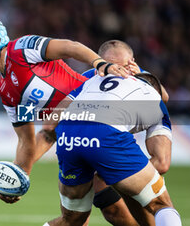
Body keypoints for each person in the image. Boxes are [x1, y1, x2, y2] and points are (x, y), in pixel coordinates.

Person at [0, 17, 130, 203]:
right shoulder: (7, 91)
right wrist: (14, 178)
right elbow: (28, 141)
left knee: (120, 197)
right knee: (103, 211)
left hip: (99, 116)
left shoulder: (22, 50)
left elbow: (71, 47)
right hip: (72, 140)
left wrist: (100, 63)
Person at [43, 72, 181, 226]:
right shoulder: (154, 99)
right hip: (106, 141)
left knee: (72, 220)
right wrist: (116, 174)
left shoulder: (94, 78)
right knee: (161, 204)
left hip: (69, 133)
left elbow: (49, 125)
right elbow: (162, 163)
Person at [84, 40, 172, 226]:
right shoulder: (88, 78)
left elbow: (164, 97)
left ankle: (124, 179)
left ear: (132, 61)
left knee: (162, 163)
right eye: (111, 65)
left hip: (151, 114)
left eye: (123, 65)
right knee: (111, 209)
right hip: (111, 130)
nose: (118, 70)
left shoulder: (140, 74)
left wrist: (139, 74)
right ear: (99, 62)